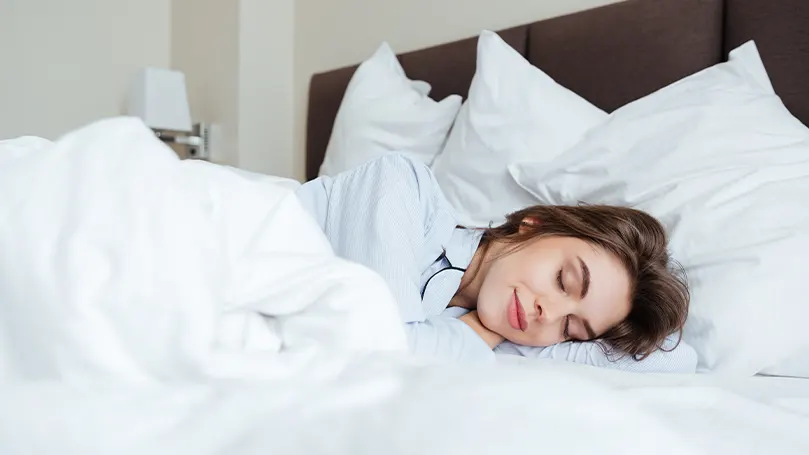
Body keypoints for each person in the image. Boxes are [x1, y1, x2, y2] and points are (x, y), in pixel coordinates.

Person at [295, 154, 697, 372]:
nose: (548, 313)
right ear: (532, 225)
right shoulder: (402, 186)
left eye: (571, 329)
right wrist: (477, 333)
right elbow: (384, 350)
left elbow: (678, 361)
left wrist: (489, 333)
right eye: (563, 279)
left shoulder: (487, 330)